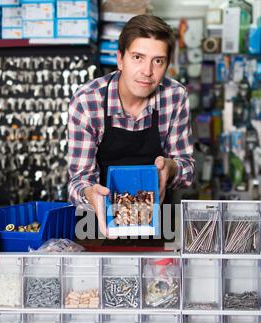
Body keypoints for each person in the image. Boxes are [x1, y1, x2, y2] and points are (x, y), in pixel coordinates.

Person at [68, 14, 194, 239]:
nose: (147, 71)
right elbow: (79, 179)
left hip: (158, 224)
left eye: (158, 61)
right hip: (95, 223)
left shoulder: (175, 97)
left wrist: (171, 167)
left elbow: (187, 169)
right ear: (120, 59)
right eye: (137, 57)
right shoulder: (87, 101)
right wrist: (90, 192)